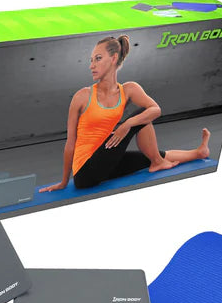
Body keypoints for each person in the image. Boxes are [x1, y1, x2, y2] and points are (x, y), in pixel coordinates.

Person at [40, 35, 211, 192]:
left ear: (114, 59)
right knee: (142, 115)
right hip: (86, 172)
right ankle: (158, 163)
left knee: (151, 153)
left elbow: (156, 110)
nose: (91, 65)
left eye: (98, 59)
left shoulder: (128, 90)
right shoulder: (82, 96)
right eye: (91, 60)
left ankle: (198, 152)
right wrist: (63, 182)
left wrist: (127, 124)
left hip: (107, 160)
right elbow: (70, 143)